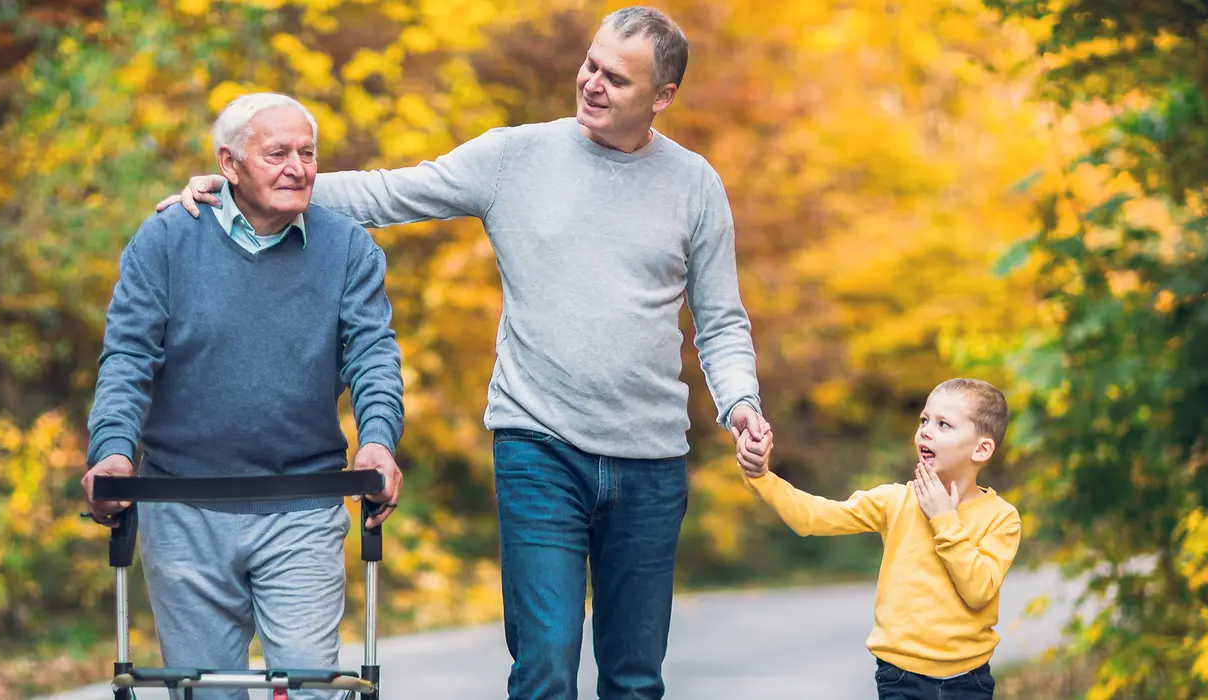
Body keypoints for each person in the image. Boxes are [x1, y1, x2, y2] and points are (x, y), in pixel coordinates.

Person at [155, 7, 771, 698]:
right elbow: (388, 192)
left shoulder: (694, 184)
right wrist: (248, 187)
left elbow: (719, 320)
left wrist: (740, 402)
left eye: (616, 79)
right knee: (544, 664)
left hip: (652, 460)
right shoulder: (514, 156)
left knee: (633, 677)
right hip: (539, 445)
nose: (592, 84)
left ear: (661, 97)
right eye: (590, 65)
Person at [81, 92, 406, 700]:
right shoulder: (166, 240)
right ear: (229, 165)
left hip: (303, 503)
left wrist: (379, 443)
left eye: (307, 153)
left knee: (315, 684)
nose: (298, 167)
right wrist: (113, 450)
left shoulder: (348, 249)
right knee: (206, 691)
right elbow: (127, 358)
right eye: (277, 152)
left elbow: (372, 356)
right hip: (183, 506)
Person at [732, 378, 1021, 700]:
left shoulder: (1002, 517)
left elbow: (978, 591)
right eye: (924, 420)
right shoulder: (894, 501)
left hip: (969, 680)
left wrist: (943, 519)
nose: (926, 430)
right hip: (900, 676)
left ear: (981, 449)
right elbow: (813, 517)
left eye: (944, 424)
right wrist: (762, 478)